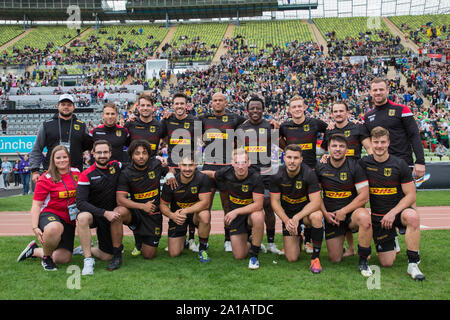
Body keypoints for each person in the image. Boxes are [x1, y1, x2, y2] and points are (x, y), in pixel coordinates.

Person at [359, 126, 425, 281]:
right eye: (376, 142)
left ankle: (413, 264)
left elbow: (411, 195)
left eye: (382, 142)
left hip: (397, 213)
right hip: (378, 218)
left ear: (388, 142)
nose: (379, 145)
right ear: (371, 143)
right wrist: (325, 158)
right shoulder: (363, 163)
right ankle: (391, 239)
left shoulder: (399, 164)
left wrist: (393, 212)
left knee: (412, 216)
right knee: (387, 263)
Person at [316, 134, 373, 277]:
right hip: (332, 217)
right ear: (328, 148)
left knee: (365, 217)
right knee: (335, 259)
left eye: (341, 146)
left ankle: (363, 261)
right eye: (334, 146)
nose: (337, 149)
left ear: (347, 149)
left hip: (351, 214)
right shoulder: (320, 167)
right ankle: (343, 244)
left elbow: (364, 196)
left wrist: (344, 211)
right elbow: (316, 195)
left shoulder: (355, 166)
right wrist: (325, 213)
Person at [17, 145, 81, 271]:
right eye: (58, 158)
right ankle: (46, 258)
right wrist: (35, 227)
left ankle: (35, 250)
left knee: (63, 258)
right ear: (53, 160)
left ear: (69, 158)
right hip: (49, 214)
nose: (62, 160)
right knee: (55, 227)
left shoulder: (77, 173)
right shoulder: (46, 179)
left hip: (69, 218)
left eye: (64, 157)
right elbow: (36, 205)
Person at [320, 101, 372, 256]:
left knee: (360, 211)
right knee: (341, 206)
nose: (338, 114)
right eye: (335, 111)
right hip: (337, 174)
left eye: (341, 111)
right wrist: (324, 157)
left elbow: (369, 148)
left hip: (355, 174)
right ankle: (350, 248)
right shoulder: (329, 130)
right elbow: (324, 151)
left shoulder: (357, 126)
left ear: (347, 112)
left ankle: (366, 246)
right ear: (332, 114)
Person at [279, 95, 328, 254]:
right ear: (289, 110)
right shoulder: (285, 126)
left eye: (300, 106)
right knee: (290, 202)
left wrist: (326, 150)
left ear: (304, 107)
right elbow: (279, 140)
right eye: (294, 107)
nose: (297, 109)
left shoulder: (315, 123)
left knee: (310, 204)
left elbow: (332, 129)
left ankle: (308, 240)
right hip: (292, 172)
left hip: (311, 172)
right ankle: (293, 234)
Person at [202, 148, 265, 270]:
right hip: (237, 217)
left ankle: (254, 256)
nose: (240, 166)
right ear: (232, 163)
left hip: (248, 213)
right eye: (237, 163)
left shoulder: (256, 177)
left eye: (243, 162)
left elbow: (258, 205)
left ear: (249, 163)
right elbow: (212, 174)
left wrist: (236, 211)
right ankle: (252, 242)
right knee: (239, 255)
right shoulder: (226, 172)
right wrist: (194, 172)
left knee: (258, 216)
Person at [199, 92, 246, 252]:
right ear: (211, 103)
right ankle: (201, 241)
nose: (217, 103)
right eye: (215, 100)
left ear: (226, 103)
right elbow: (183, 123)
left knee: (227, 205)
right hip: (209, 167)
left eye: (220, 100)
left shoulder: (235, 118)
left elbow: (252, 123)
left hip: (227, 168)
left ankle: (227, 239)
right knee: (205, 206)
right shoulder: (204, 119)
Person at [236, 95, 283, 255]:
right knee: (250, 209)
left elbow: (282, 145)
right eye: (252, 108)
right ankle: (251, 240)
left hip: (268, 174)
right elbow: (237, 150)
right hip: (248, 176)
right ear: (247, 110)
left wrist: (278, 131)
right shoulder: (241, 129)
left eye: (258, 108)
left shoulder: (270, 126)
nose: (255, 110)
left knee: (269, 207)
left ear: (263, 110)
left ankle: (270, 243)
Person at [269, 144, 324, 274]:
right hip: (288, 215)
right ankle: (299, 236)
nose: (292, 161)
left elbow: (316, 202)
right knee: (292, 258)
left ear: (301, 159)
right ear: (284, 158)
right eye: (289, 157)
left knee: (317, 216)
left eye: (295, 158)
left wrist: (297, 217)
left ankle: (315, 258)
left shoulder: (309, 173)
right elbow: (275, 202)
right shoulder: (277, 174)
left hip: (304, 214)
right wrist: (287, 220)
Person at [114, 140, 170, 260]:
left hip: (153, 214)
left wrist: (170, 175)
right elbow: (120, 199)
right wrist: (142, 206)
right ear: (131, 156)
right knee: (118, 212)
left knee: (148, 255)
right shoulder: (126, 173)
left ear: (149, 154)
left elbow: (169, 171)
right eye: (137, 153)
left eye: (144, 153)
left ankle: (140, 238)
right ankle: (117, 251)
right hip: (137, 212)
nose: (141, 156)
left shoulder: (156, 164)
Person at [75, 140, 124, 275]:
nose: (102, 155)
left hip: (110, 217)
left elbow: (135, 166)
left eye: (105, 152)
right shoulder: (86, 174)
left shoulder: (117, 166)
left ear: (110, 153)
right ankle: (88, 260)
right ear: (93, 154)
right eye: (99, 152)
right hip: (94, 215)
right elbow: (80, 203)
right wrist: (103, 213)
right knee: (82, 217)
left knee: (107, 256)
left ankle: (86, 248)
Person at [363, 78, 425, 179]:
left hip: (403, 164)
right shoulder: (367, 117)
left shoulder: (402, 110)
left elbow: (414, 135)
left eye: (381, 89)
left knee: (407, 195)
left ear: (387, 91)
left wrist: (420, 161)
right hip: (379, 167)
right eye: (375, 90)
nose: (378, 92)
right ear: (370, 92)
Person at [161, 92, 198, 251]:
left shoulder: (194, 121)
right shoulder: (167, 120)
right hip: (173, 168)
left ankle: (191, 239)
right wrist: (168, 167)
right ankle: (178, 235)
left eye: (182, 104)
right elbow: (161, 140)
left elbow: (197, 145)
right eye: (176, 104)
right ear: (173, 105)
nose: (179, 106)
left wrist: (195, 164)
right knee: (176, 202)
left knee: (191, 200)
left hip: (189, 166)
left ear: (186, 105)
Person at [30, 94, 93, 184]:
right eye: (63, 104)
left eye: (69, 105)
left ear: (73, 107)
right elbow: (37, 148)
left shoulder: (82, 125)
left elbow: (90, 148)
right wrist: (35, 170)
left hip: (75, 173)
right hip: (51, 172)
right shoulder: (47, 125)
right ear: (58, 106)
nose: (66, 107)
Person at [160, 154, 212, 262]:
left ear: (196, 165)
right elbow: (162, 205)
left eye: (191, 165)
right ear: (179, 165)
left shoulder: (202, 178)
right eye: (184, 165)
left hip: (194, 215)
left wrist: (186, 211)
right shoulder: (171, 181)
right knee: (174, 253)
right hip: (178, 217)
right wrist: (172, 215)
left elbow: (205, 203)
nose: (187, 169)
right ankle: (183, 240)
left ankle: (202, 249)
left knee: (205, 215)